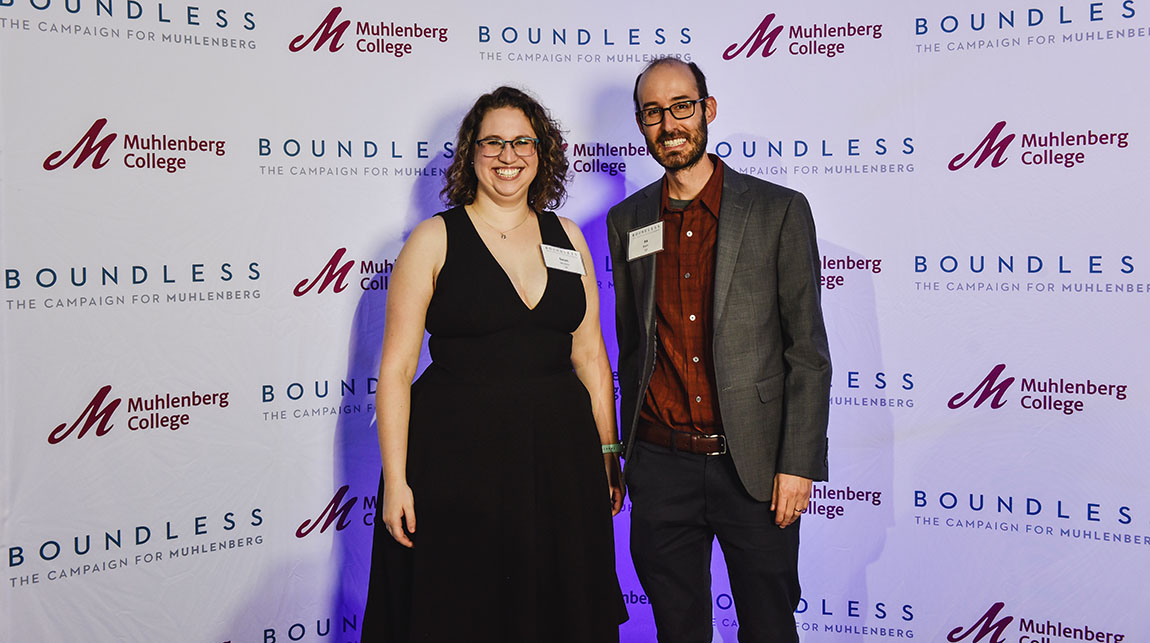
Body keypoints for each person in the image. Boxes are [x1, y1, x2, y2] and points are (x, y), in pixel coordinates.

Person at [360, 86, 626, 642]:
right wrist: (396, 481)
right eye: (494, 143)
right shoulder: (433, 239)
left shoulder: (567, 236)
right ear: (471, 153)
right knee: (463, 614)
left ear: (542, 150)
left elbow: (591, 357)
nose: (509, 156)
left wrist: (608, 452)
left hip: (560, 465)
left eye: (522, 141)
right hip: (457, 470)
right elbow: (396, 371)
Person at [606, 59, 832, 643]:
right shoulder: (627, 219)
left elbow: (806, 350)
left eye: (682, 106)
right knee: (678, 631)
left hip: (753, 467)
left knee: (768, 628)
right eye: (653, 113)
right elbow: (633, 345)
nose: (669, 124)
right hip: (660, 466)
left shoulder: (778, 210)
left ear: (708, 109)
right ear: (640, 124)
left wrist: (797, 463)